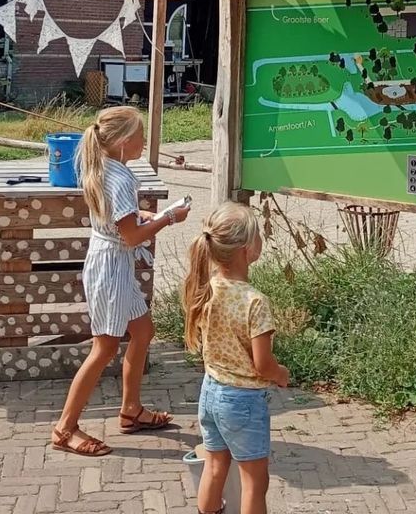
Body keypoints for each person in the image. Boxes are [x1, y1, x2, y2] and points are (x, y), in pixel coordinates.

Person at [51, 106, 190, 456]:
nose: (145, 142)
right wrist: (169, 218)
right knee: (104, 348)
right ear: (125, 142)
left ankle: (131, 410)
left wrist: (143, 214)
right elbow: (131, 236)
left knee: (143, 332)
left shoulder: (101, 166)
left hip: (109, 260)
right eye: (141, 136)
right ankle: (65, 429)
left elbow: (119, 218)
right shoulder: (121, 178)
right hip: (112, 266)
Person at [183, 203, 289, 514]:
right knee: (254, 482)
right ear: (247, 250)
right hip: (243, 401)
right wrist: (281, 373)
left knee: (215, 467)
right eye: (258, 235)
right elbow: (263, 364)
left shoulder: (206, 289)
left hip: (210, 392)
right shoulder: (254, 301)